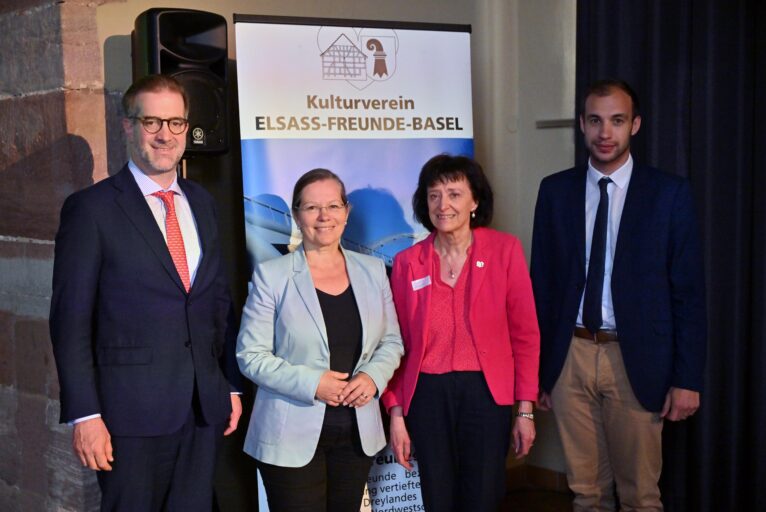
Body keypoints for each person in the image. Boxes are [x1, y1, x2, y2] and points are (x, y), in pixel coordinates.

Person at [49, 74, 242, 511]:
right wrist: (86, 415)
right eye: (152, 121)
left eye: (175, 123)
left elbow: (216, 303)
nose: (165, 134)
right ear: (128, 126)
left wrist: (228, 384)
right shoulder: (92, 209)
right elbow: (70, 321)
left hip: (202, 409)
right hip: (128, 419)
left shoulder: (202, 202)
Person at [531, 79, 706, 511]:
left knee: (640, 496)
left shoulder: (668, 194)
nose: (605, 132)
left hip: (637, 359)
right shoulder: (555, 191)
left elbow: (688, 293)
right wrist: (540, 369)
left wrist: (687, 379)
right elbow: (543, 285)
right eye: (595, 121)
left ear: (636, 125)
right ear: (581, 125)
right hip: (569, 355)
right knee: (585, 493)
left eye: (616, 120)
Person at [236, 168, 404, 511]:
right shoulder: (272, 275)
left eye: (332, 206)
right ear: (297, 215)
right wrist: (314, 384)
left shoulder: (373, 271)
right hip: (289, 437)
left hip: (357, 435)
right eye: (312, 208)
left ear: (346, 212)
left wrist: (373, 378)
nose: (323, 216)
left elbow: (392, 342)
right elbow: (250, 355)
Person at [381, 154, 540, 511]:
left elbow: (525, 334)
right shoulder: (408, 263)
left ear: (475, 201)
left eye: (454, 193)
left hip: (485, 393)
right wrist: (395, 412)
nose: (443, 204)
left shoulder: (504, 251)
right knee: (437, 497)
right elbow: (394, 342)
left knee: (483, 496)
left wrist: (525, 410)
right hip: (427, 396)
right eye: (434, 194)